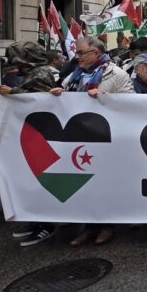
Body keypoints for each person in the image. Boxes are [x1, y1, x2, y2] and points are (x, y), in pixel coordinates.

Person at [53, 36, 134, 246]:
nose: (77, 57)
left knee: (104, 182)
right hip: (80, 138)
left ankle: (107, 226)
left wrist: (105, 98)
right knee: (84, 183)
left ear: (96, 53)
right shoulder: (73, 76)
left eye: (80, 53)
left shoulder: (116, 74)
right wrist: (58, 94)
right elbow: (65, 98)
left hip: (106, 138)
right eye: (77, 53)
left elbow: (131, 103)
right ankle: (89, 227)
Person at [0, 42, 59, 247]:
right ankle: (37, 220)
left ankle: (46, 224)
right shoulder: (33, 73)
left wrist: (13, 92)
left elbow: (40, 103)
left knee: (42, 180)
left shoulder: (40, 74)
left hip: (42, 135)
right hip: (32, 134)